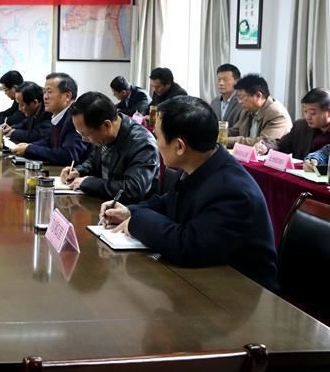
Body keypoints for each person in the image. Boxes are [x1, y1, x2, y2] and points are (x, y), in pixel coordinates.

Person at [100, 96, 278, 292]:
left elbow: (187, 246)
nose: (156, 143)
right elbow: (169, 201)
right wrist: (129, 211)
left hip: (240, 292)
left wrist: (136, 221)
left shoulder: (232, 191)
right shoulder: (201, 162)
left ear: (179, 146)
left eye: (158, 137)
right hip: (206, 278)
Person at [61, 91, 159, 203]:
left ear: (106, 125)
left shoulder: (143, 143)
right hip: (103, 203)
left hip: (131, 210)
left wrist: (88, 182)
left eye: (86, 134)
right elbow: (93, 162)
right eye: (80, 133)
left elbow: (133, 190)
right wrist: (78, 171)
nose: (84, 139)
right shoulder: (103, 135)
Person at [11, 73, 91, 165]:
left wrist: (29, 149)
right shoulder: (59, 115)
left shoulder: (75, 118)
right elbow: (49, 141)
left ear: (67, 96)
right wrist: (29, 146)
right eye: (44, 92)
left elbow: (68, 156)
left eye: (49, 92)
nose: (45, 97)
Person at [257, 88, 330, 160]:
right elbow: (281, 145)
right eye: (305, 111)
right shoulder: (300, 126)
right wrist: (266, 147)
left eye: (312, 113)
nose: (307, 117)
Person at [227, 74, 292, 148]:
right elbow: (235, 131)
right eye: (238, 98)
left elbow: (263, 142)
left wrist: (226, 141)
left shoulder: (277, 114)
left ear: (258, 95)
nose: (240, 102)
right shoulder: (247, 110)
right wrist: (218, 134)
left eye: (242, 97)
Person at [209, 63, 242, 128]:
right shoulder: (215, 102)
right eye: (219, 79)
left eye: (225, 80)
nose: (221, 83)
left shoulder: (242, 102)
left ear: (237, 81)